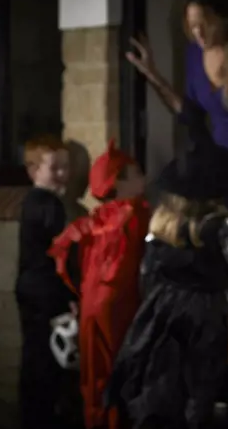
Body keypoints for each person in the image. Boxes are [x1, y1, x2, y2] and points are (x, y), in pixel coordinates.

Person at [124, 0, 228, 387]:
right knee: (209, 266)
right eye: (192, 26)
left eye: (204, 23)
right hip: (213, 174)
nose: (198, 33)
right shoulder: (192, 55)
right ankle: (212, 364)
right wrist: (152, 74)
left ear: (223, 17)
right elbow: (191, 115)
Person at [104, 133, 228, 429]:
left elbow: (146, 273)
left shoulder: (159, 225)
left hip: (162, 310)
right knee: (201, 382)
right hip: (206, 314)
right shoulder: (221, 227)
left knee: (162, 379)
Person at [49, 139, 150, 429]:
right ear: (118, 182)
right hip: (119, 308)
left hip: (91, 306)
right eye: (136, 174)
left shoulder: (95, 219)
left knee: (94, 378)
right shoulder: (135, 214)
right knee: (120, 376)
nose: (144, 179)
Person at [15, 134, 76, 429]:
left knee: (36, 358)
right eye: (55, 168)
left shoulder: (33, 203)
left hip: (31, 288)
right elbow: (61, 253)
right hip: (45, 292)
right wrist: (68, 296)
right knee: (48, 365)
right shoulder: (49, 205)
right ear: (33, 171)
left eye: (66, 167)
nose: (63, 174)